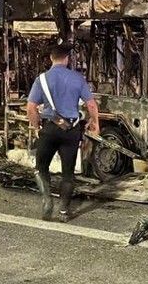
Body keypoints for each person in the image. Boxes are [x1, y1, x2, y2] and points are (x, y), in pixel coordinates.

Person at [26, 43, 100, 222]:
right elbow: (91, 104)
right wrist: (95, 123)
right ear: (67, 59)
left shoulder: (41, 79)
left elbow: (31, 108)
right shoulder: (77, 78)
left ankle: (47, 201)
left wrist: (36, 127)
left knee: (41, 167)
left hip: (50, 129)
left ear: (51, 58)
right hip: (71, 130)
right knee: (68, 173)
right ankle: (64, 211)